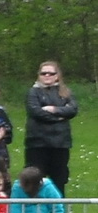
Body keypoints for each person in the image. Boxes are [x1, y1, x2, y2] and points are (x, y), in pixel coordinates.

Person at [24, 60, 77, 194]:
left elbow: (73, 110)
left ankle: (58, 207)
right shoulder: (33, 92)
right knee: (34, 179)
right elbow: (36, 112)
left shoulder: (66, 92)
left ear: (57, 75)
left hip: (60, 144)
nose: (47, 76)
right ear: (39, 75)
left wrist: (53, 109)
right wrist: (60, 117)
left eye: (51, 73)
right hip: (37, 143)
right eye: (44, 73)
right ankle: (35, 206)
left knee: (59, 180)